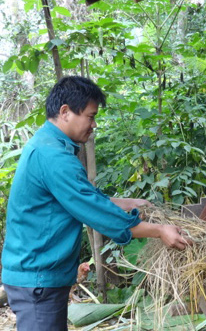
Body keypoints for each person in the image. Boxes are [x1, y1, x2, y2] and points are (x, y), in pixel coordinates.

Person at [1, 76, 192, 331]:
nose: (94, 125)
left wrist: (127, 202)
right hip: (37, 279)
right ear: (65, 112)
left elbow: (78, 197)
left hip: (39, 276)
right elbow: (96, 212)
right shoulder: (53, 156)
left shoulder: (48, 145)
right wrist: (158, 230)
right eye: (90, 117)